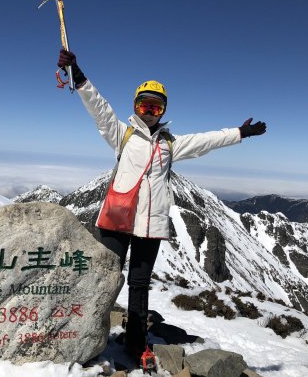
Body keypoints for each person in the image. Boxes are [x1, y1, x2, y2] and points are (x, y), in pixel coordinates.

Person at [58, 49, 266, 360]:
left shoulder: (171, 144)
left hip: (149, 226)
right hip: (116, 219)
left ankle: (136, 344)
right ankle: (83, 333)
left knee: (139, 286)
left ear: (163, 109)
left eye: (156, 106)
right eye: (145, 104)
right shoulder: (123, 135)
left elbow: (206, 140)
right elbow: (99, 109)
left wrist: (239, 133)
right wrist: (79, 75)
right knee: (103, 276)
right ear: (135, 106)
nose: (150, 110)